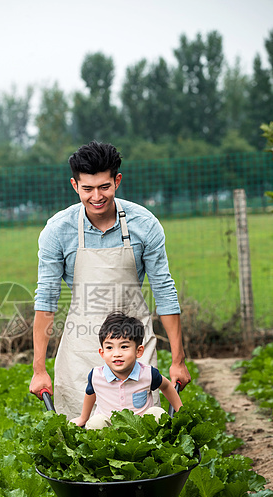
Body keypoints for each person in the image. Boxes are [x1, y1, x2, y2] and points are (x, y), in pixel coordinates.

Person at [29, 140, 190, 419]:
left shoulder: (144, 224)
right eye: (87, 188)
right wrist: (39, 370)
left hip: (134, 348)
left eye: (104, 186)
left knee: (141, 431)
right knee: (83, 434)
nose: (96, 197)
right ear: (74, 185)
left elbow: (164, 291)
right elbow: (46, 300)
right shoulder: (58, 231)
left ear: (117, 180)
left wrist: (178, 360)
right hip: (82, 349)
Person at [70, 312, 182, 429]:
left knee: (157, 413)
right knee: (96, 422)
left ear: (138, 351)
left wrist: (180, 411)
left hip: (142, 431)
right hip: (110, 431)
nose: (117, 354)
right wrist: (83, 417)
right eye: (109, 348)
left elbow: (166, 386)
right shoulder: (96, 376)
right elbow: (90, 394)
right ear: (102, 353)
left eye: (124, 347)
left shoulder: (148, 374)